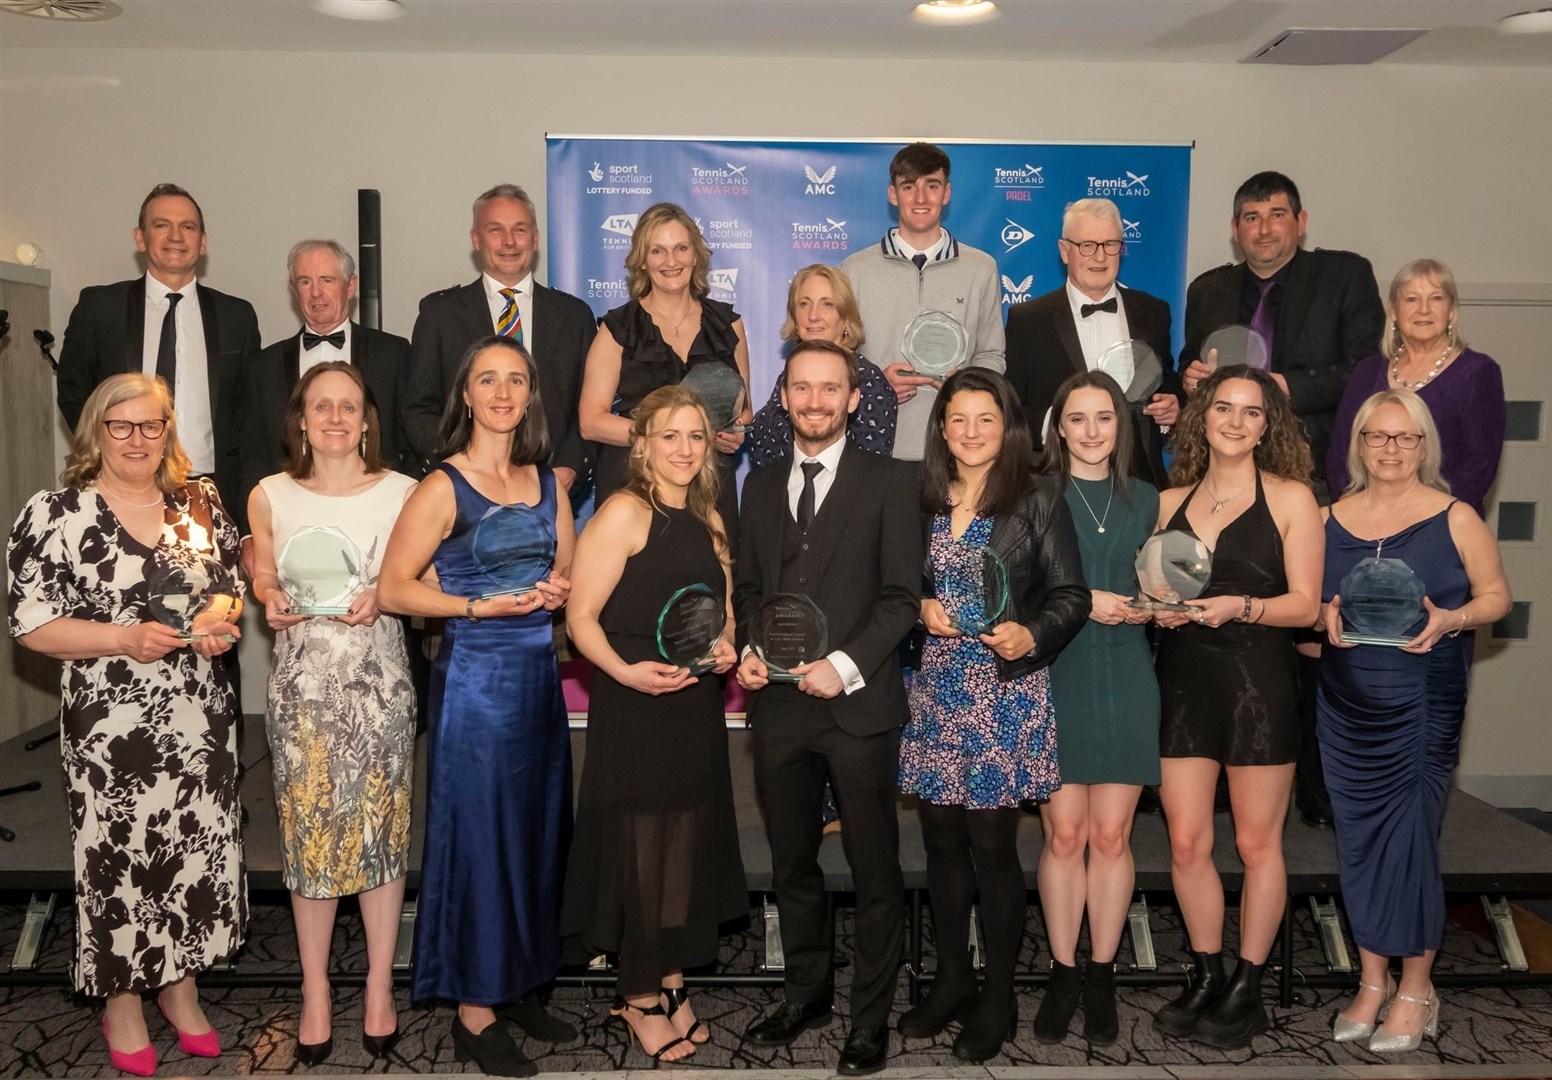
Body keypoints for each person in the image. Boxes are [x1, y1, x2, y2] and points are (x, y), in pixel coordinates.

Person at [8, 373, 245, 1077]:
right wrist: (121, 639)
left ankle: (181, 986)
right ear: (95, 432)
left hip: (199, 714)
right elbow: (32, 626)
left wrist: (215, 626)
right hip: (111, 720)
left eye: (152, 426)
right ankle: (122, 998)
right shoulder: (56, 512)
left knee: (193, 852)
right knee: (119, 858)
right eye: (122, 427)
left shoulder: (199, 500)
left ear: (168, 431)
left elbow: (229, 588)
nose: (138, 440)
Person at [378, 337, 576, 1077]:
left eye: (515, 380)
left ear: (530, 394)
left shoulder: (545, 480)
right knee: (482, 843)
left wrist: (557, 590)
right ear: (466, 393)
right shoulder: (440, 485)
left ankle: (520, 980)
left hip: (537, 686)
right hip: (475, 686)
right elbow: (395, 589)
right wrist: (474, 606)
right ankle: (474, 1009)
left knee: (536, 833)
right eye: (487, 379)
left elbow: (565, 568)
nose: (501, 392)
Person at [734, 339, 922, 1077]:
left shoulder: (892, 482)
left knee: (875, 872)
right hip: (779, 711)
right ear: (783, 398)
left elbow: (902, 598)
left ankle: (868, 1019)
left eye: (829, 389)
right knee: (793, 866)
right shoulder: (760, 481)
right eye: (801, 388)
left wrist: (839, 667)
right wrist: (754, 647)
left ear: (853, 400)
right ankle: (806, 993)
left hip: (859, 707)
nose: (814, 401)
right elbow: (750, 589)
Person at [1179, 172, 1384, 831]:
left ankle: (1319, 786)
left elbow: (1362, 370)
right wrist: (1190, 376)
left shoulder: (1345, 276)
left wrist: (1276, 386)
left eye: (1276, 215)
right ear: (1234, 229)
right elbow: (1193, 363)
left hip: (1316, 478)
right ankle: (1221, 766)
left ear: (1300, 221)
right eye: (1249, 217)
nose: (1263, 228)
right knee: (1214, 619)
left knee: (1316, 635)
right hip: (1221, 479)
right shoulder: (1208, 288)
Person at [899, 368, 1088, 1062]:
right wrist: (917, 609)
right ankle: (953, 979)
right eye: (957, 419)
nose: (970, 432)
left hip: (1003, 691)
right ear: (941, 426)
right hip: (934, 689)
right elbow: (895, 584)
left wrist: (1032, 634)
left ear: (1006, 425)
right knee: (941, 841)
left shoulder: (1035, 498)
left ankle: (1000, 994)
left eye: (985, 419)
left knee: (992, 847)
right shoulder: (918, 497)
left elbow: (1072, 595)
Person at [1317, 390, 1510, 1053]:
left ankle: (1416, 988)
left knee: (1410, 839)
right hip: (1344, 704)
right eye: (1378, 436)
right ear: (1359, 443)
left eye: (1405, 438)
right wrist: (1325, 622)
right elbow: (1312, 607)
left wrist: (1452, 619)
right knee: (1360, 840)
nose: (1391, 449)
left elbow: (1495, 597)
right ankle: (1371, 982)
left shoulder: (1455, 517)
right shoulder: (1325, 519)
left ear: (1425, 447)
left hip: (1423, 697)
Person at [561, 385, 748, 1062]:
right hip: (634, 699)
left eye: (695, 436)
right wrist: (625, 672)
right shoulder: (622, 511)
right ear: (642, 444)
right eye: (669, 435)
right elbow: (580, 618)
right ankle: (637, 991)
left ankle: (670, 976)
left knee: (684, 840)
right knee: (642, 842)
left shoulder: (710, 517)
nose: (684, 449)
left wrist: (726, 646)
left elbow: (723, 609)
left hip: (693, 703)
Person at [247, 362, 418, 1065]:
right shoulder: (269, 493)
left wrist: (386, 592)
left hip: (379, 689)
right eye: (323, 406)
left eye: (350, 405)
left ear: (369, 418)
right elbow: (259, 567)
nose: (337, 418)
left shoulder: (406, 493)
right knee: (309, 845)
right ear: (301, 418)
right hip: (302, 698)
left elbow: (425, 581)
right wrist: (264, 591)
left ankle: (379, 987)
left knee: (381, 835)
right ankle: (315, 990)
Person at [1149, 365, 1323, 1048]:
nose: (1236, 421)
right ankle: (1205, 973)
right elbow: (1157, 592)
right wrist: (1157, 612)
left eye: (1252, 413)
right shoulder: (1167, 504)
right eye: (1224, 408)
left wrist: (1241, 606)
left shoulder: (1292, 500)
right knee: (1188, 842)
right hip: (1184, 682)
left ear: (1267, 426)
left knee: (1256, 843)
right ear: (1202, 416)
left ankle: (1248, 986)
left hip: (1259, 683)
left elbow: (1305, 604)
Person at [1032, 370, 1160, 1046]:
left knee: (1113, 837)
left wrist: (1162, 605)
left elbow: (1173, 577)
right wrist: (1084, 601)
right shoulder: (1034, 495)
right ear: (1058, 426)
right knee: (1065, 836)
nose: (1090, 430)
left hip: (1129, 674)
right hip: (1058, 672)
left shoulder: (1149, 499)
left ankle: (1102, 973)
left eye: (1103, 418)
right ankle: (1061, 971)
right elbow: (1019, 591)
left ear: (1121, 424)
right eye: (1076, 418)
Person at [56, 183, 262, 536]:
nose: (176, 236)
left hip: (210, 494)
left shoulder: (237, 317)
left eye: (188, 226)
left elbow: (250, 410)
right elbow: (75, 393)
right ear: (140, 237)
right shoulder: (99, 308)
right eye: (161, 225)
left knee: (211, 593)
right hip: (120, 491)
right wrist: (110, 455)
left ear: (203, 241)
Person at [579, 202, 751, 544]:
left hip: (708, 485)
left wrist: (737, 430)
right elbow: (591, 420)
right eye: (658, 251)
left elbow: (744, 409)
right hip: (636, 485)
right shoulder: (617, 328)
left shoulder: (729, 325)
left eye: (680, 249)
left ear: (696, 255)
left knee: (713, 585)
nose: (671, 261)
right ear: (642, 260)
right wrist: (662, 438)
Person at [403, 183, 596, 488]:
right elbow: (419, 409)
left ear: (535, 238)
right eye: (495, 230)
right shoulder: (439, 314)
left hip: (551, 487)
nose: (509, 241)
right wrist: (457, 468)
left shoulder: (575, 316)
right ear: (475, 238)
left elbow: (589, 407)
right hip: (463, 489)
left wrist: (570, 468)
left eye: (520, 230)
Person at [841, 141, 1005, 465]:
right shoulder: (854, 270)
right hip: (874, 449)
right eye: (908, 186)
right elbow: (838, 359)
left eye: (932, 186)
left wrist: (964, 388)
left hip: (955, 452)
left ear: (947, 193)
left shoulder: (981, 268)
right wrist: (875, 385)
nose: (920, 198)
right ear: (893, 194)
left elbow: (991, 355)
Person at [1004, 198, 1180, 488]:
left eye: (1111, 244)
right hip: (1057, 483)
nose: (1100, 257)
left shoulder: (1153, 312)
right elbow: (1011, 407)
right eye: (1088, 245)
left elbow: (1167, 383)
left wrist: (1172, 406)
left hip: (1137, 482)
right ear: (1064, 251)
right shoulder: (1027, 320)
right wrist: (1060, 422)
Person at [242, 240, 415, 507]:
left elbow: (410, 445)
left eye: (326, 280)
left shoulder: (393, 353)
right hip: (286, 511)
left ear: (351, 286)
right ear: (293, 289)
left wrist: (409, 512)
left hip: (379, 509)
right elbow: (252, 456)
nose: (316, 293)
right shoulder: (263, 366)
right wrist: (250, 534)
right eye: (304, 282)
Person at [1327, 259, 1505, 516]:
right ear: (1393, 311)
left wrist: (1423, 517)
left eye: (1436, 298)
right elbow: (1340, 451)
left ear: (1451, 310)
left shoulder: (1478, 372)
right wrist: (1353, 508)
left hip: (1443, 525)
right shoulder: (1366, 372)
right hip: (1366, 520)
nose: (1424, 309)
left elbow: (1480, 463)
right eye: (1411, 299)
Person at [747, 264, 897, 466]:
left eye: (827, 304)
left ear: (845, 316)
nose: (813, 315)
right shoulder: (788, 375)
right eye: (804, 304)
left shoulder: (867, 380)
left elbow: (870, 471)